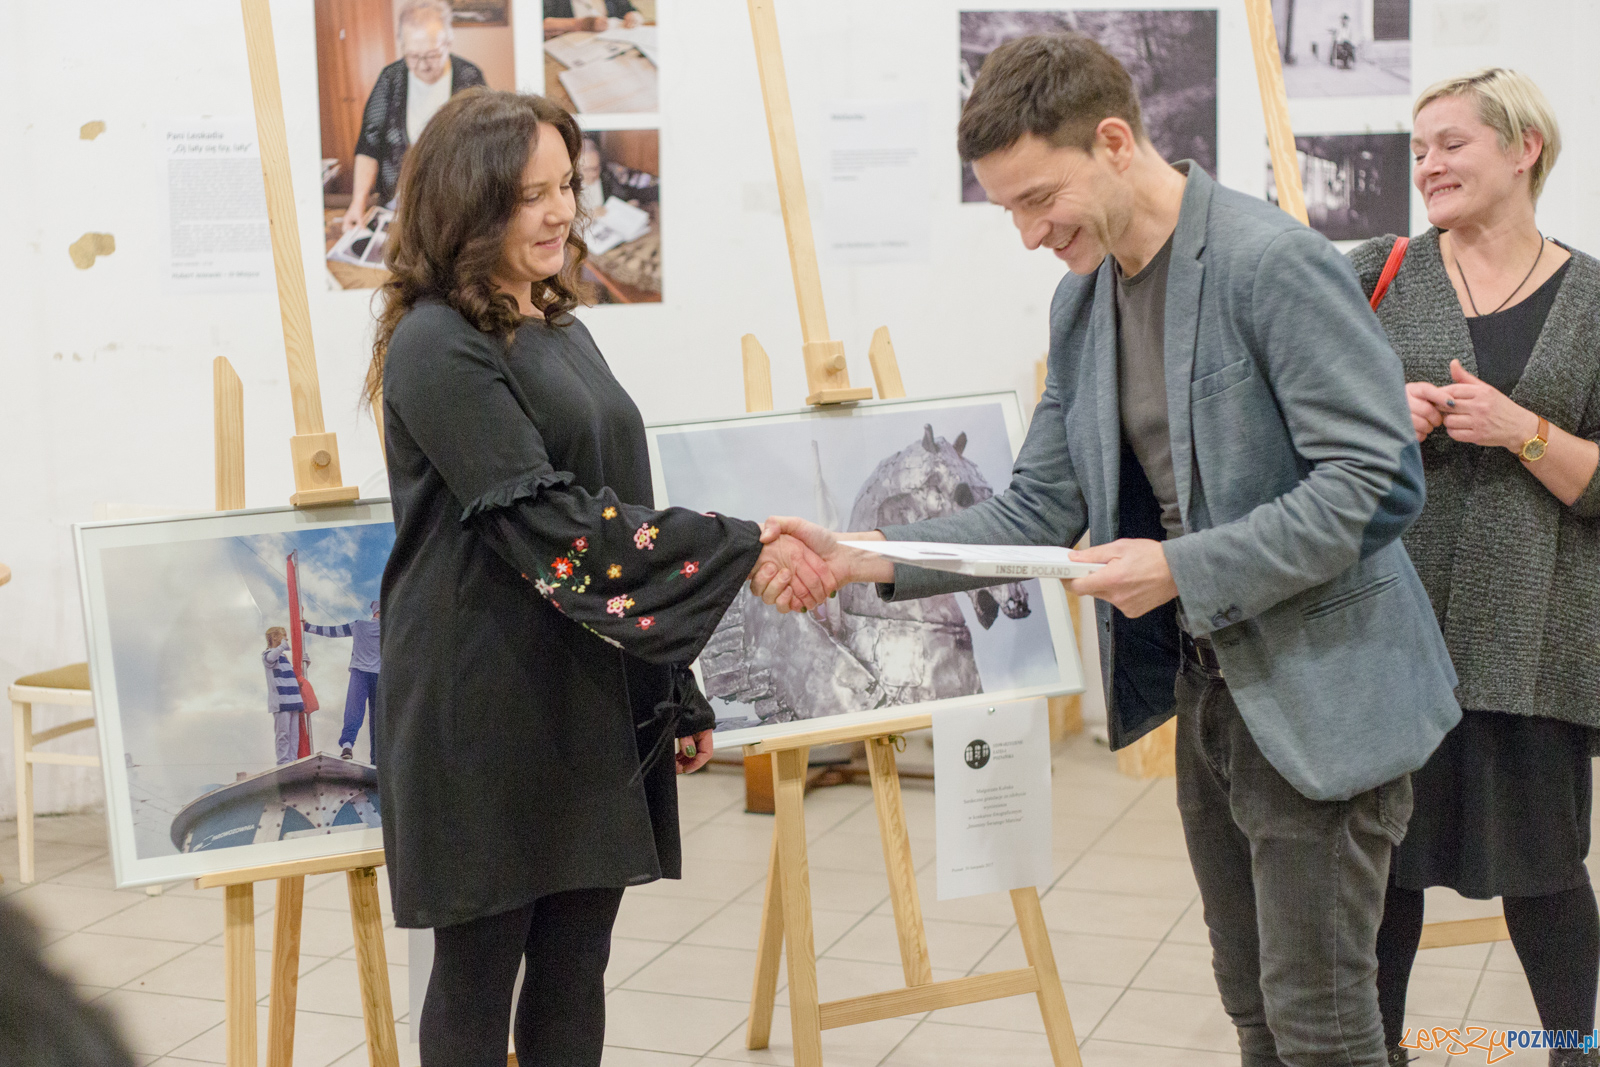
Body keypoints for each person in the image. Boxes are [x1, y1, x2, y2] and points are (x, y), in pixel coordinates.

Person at [757, 33, 1460, 1067]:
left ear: (1116, 141)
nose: (1032, 233)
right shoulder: (1084, 300)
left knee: (1320, 1024)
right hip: (1208, 696)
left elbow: (1375, 483)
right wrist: (861, 550)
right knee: (1254, 1006)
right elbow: (1037, 506)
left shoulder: (1272, 264)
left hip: (1324, 698)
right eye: (1009, 211)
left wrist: (1180, 567)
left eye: (1040, 199)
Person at [369, 88, 830, 1067]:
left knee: (577, 963)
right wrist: (739, 546)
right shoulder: (435, 342)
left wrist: (676, 686)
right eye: (525, 194)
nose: (558, 212)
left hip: (586, 685)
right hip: (483, 702)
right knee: (478, 969)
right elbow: (550, 521)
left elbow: (620, 490)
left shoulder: (555, 320)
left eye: (564, 186)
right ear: (465, 202)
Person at [1350, 69, 1600, 1067]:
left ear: (1521, 147)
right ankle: (1376, 1051)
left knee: (1545, 873)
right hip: (1391, 637)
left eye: (1449, 143)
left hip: (1534, 642)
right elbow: (1297, 438)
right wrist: (1379, 425)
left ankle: (1575, 1049)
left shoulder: (1590, 298)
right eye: (1417, 149)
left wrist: (1522, 429)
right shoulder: (1371, 273)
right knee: (1382, 873)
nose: (1427, 166)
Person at [340, 0, 487, 233]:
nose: (422, 66)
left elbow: (483, 147)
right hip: (397, 205)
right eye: (413, 56)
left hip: (455, 207)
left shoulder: (469, 78)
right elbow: (369, 144)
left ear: (448, 43)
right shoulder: (391, 79)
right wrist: (357, 203)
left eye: (431, 55)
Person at [302, 602, 382, 763]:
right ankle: (377, 758)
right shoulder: (391, 630)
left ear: (374, 613)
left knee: (354, 710)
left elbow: (333, 631)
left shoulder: (359, 625)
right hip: (380, 676)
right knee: (378, 718)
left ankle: (347, 745)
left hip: (360, 673)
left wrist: (308, 626)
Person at [262, 627, 309, 766]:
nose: (287, 639)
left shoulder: (283, 657)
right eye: (283, 636)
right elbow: (271, 658)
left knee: (294, 736)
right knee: (283, 734)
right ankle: (283, 762)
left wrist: (304, 664)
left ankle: (292, 760)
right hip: (281, 701)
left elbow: (291, 677)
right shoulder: (268, 654)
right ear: (275, 637)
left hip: (294, 700)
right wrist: (282, 646)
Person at [543, 0, 642, 40]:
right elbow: (544, 24)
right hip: (573, 45)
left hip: (611, 42)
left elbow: (628, 9)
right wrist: (585, 24)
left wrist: (634, 15)